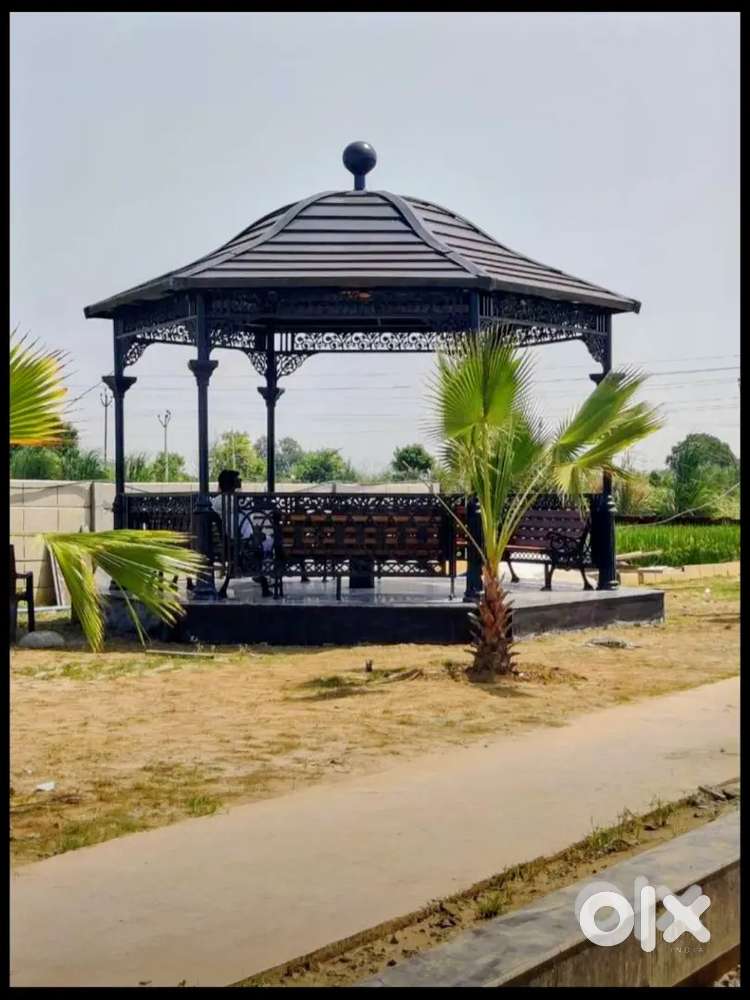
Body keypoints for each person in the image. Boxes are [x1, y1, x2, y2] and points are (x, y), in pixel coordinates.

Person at [212, 470, 273, 597]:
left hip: (231, 540)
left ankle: (259, 573)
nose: (240, 481)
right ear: (231, 482)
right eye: (237, 479)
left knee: (264, 540)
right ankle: (264, 574)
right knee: (271, 541)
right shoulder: (238, 500)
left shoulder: (217, 501)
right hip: (241, 541)